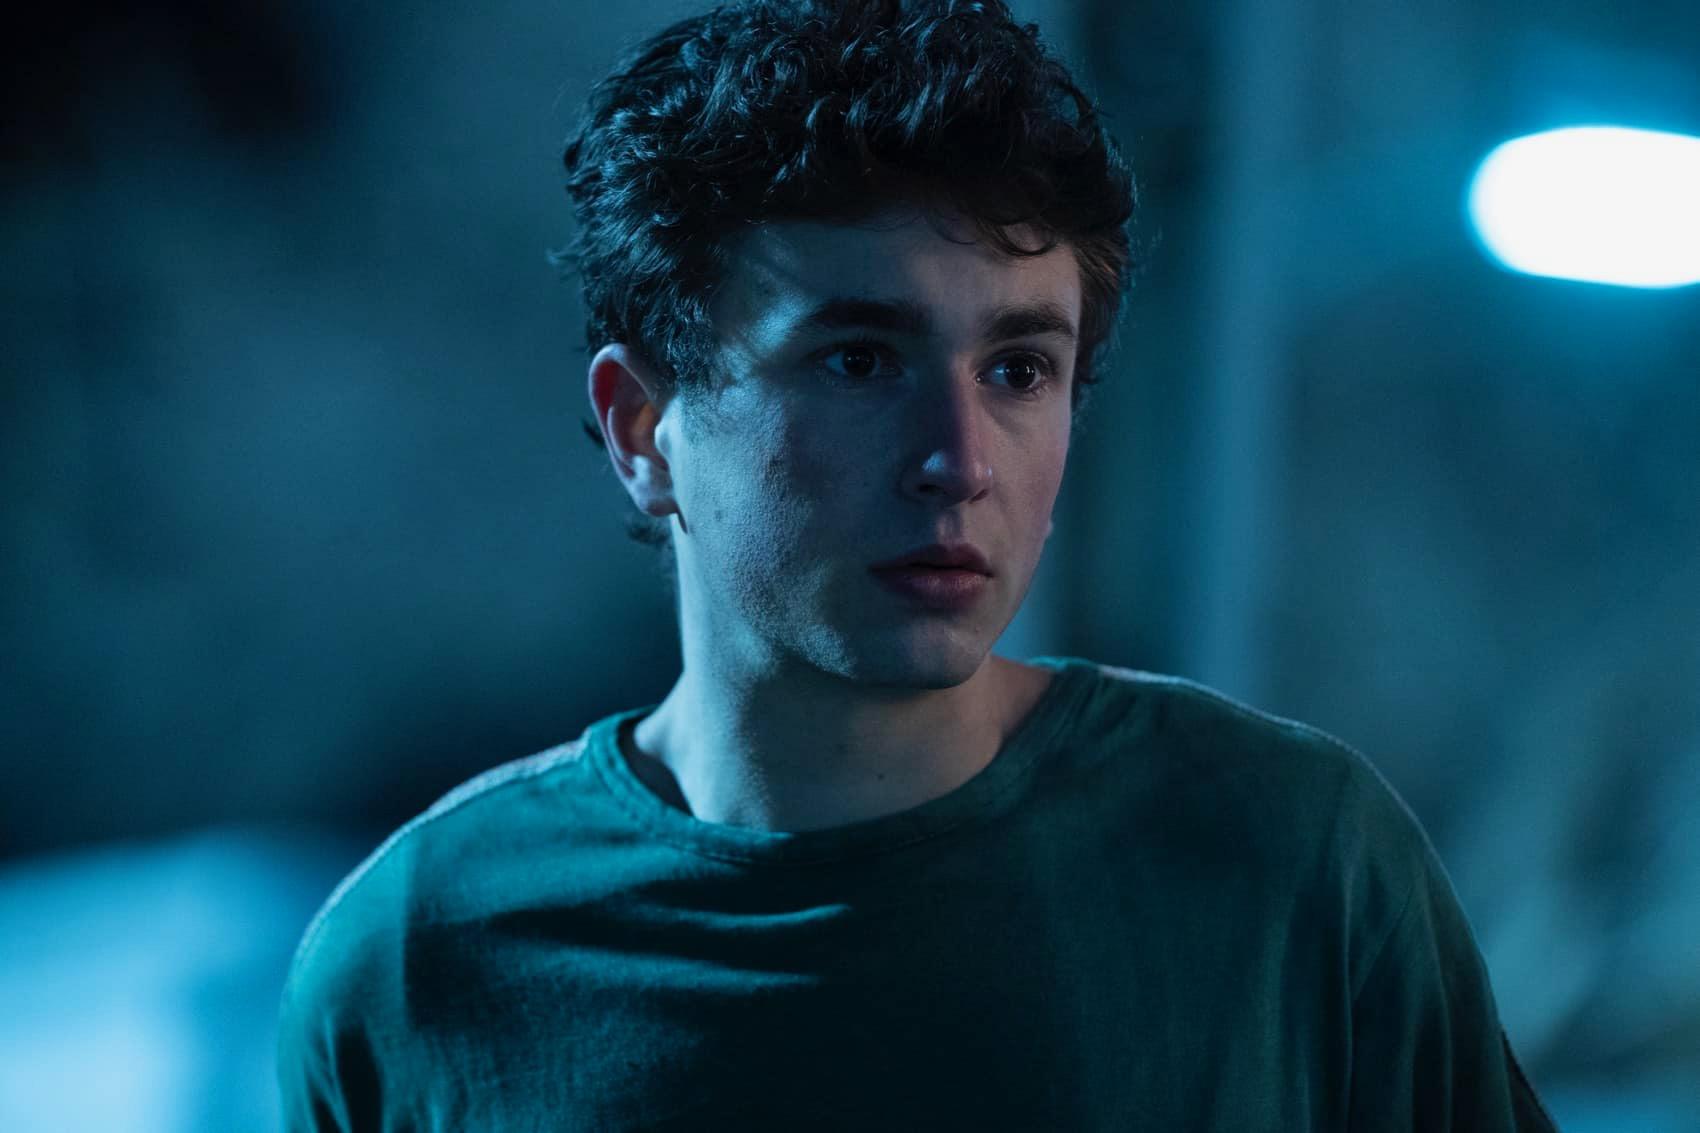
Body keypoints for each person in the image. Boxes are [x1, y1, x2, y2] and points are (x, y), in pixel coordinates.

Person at [276, 0, 1563, 1128]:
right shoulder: (423, 954)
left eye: (1018, 369)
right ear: (642, 428)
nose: (958, 458)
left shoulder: (1282, 857)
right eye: (857, 361)